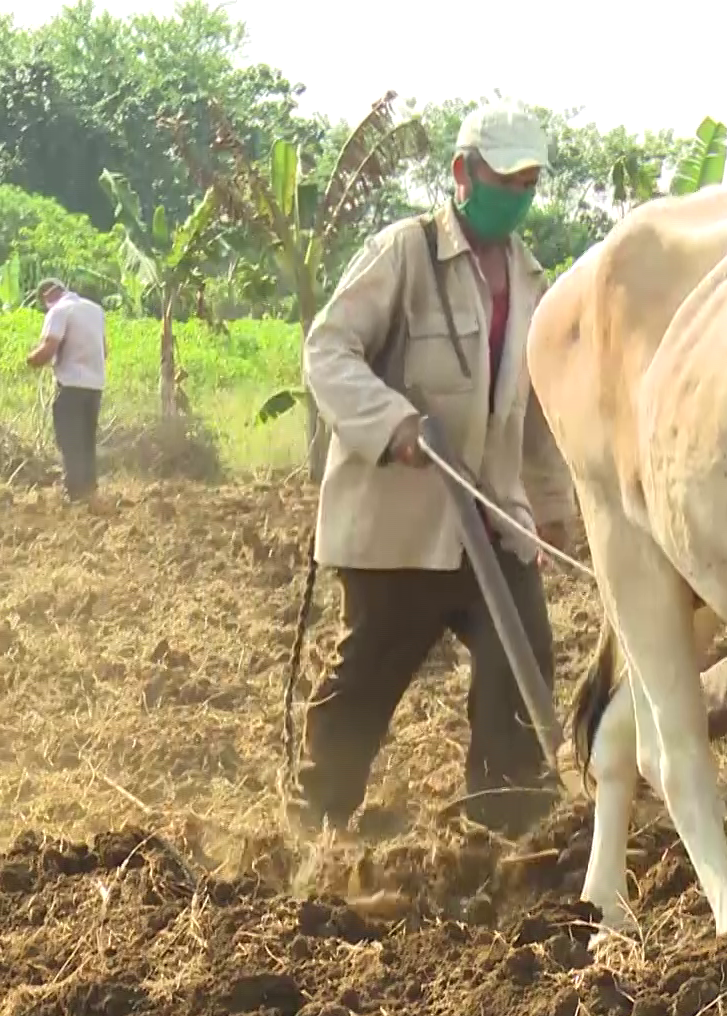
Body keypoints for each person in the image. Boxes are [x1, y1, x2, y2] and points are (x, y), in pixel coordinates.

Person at [290, 100, 579, 838]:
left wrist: (552, 509)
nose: (512, 194)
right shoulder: (405, 253)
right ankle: (312, 830)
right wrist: (394, 425)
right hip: (404, 526)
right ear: (462, 172)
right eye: (500, 177)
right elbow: (328, 351)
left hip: (494, 521)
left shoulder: (533, 279)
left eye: (527, 181)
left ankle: (503, 833)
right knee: (367, 681)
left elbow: (534, 412)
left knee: (522, 672)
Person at [24, 278, 108, 503]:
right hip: (94, 386)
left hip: (70, 385)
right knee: (86, 439)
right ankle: (89, 489)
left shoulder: (59, 311)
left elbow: (49, 348)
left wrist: (30, 360)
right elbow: (105, 351)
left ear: (46, 296)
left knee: (69, 439)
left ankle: (73, 493)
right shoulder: (95, 310)